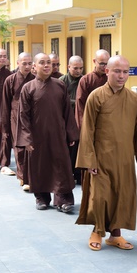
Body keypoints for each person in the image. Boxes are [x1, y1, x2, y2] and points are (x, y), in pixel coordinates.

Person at [75, 55, 137, 251]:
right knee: (99, 197)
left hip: (124, 158)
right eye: (117, 71)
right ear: (107, 71)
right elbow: (87, 130)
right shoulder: (96, 96)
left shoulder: (134, 99)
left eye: (125, 72)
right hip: (101, 157)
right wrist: (89, 160)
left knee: (122, 195)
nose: (121, 76)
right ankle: (97, 231)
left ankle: (115, 235)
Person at [17, 53, 78, 210]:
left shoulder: (59, 85)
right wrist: (27, 139)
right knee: (40, 166)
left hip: (58, 134)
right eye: (42, 62)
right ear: (34, 67)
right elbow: (23, 115)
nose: (46, 65)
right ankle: (42, 198)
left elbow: (67, 112)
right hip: (37, 136)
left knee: (61, 166)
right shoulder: (28, 88)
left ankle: (63, 200)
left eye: (49, 63)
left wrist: (71, 134)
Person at [0, 52, 35, 185]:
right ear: (18, 63)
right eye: (24, 63)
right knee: (19, 147)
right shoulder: (10, 80)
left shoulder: (35, 79)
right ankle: (22, 177)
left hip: (32, 118)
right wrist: (5, 126)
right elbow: (5, 104)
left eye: (29, 63)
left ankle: (31, 176)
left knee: (31, 147)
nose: (27, 66)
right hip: (16, 118)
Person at [60, 55, 84, 184]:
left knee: (79, 147)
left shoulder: (84, 81)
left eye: (81, 68)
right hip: (65, 119)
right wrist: (75, 102)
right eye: (75, 68)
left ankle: (78, 173)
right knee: (66, 147)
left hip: (79, 119)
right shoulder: (61, 81)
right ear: (68, 67)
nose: (78, 71)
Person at [75, 49, 110, 132]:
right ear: (94, 61)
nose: (105, 67)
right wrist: (83, 127)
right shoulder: (86, 80)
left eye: (107, 64)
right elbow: (80, 105)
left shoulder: (111, 79)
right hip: (90, 120)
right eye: (102, 64)